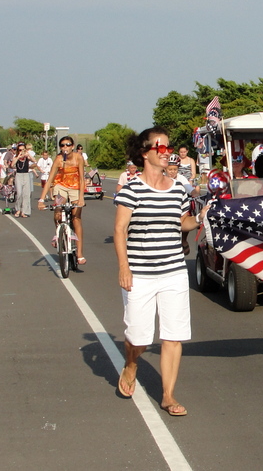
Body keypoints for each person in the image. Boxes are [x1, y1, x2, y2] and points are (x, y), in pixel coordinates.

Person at [113, 127, 208, 417]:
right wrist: (124, 267)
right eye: (161, 147)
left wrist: (200, 217)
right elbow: (119, 230)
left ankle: (168, 395)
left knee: (173, 335)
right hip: (139, 273)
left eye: (169, 147)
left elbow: (183, 223)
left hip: (174, 272)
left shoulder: (178, 186)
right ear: (145, 153)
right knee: (139, 338)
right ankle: (131, 364)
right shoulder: (132, 189)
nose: (167, 152)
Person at [38, 136, 86, 265]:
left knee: (76, 217)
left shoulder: (78, 158)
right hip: (61, 186)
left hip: (76, 187)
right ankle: (58, 233)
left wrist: (81, 198)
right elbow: (49, 180)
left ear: (72, 146)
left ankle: (80, 253)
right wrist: (41, 199)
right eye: (62, 145)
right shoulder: (59, 159)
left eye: (68, 145)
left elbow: (82, 179)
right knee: (58, 209)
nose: (65, 147)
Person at [12, 143, 36, 218]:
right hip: (18, 175)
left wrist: (28, 154)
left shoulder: (27, 157)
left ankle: (24, 211)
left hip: (26, 175)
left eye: (23, 150)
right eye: (20, 150)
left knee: (26, 194)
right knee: (19, 193)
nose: (21, 151)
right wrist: (18, 156)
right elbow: (12, 165)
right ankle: (18, 209)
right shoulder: (15, 157)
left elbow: (34, 161)